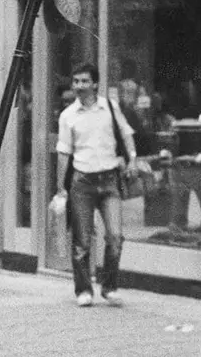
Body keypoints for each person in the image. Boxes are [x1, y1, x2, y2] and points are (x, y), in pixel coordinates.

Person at [54, 62, 138, 307]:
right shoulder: (68, 116)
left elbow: (126, 134)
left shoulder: (109, 107)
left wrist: (133, 159)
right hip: (83, 181)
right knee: (82, 241)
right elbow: (63, 152)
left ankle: (109, 287)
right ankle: (83, 290)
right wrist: (61, 186)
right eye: (76, 81)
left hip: (109, 180)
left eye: (84, 81)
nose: (79, 86)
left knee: (115, 236)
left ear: (95, 84)